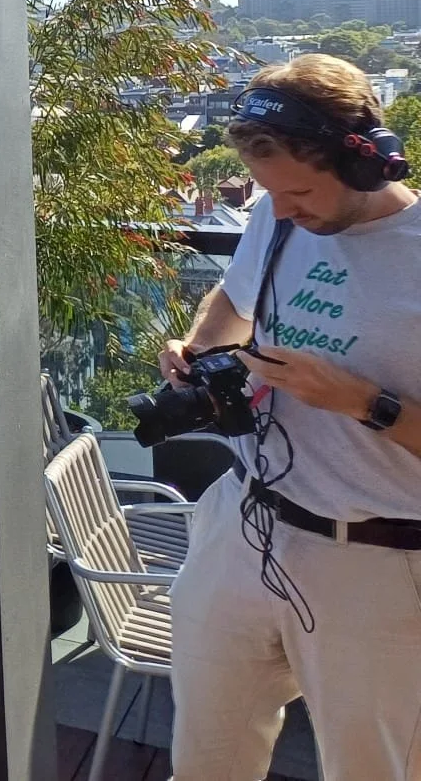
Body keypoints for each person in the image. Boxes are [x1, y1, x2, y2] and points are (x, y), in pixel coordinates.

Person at [157, 54, 419, 780]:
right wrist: (200, 350)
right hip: (242, 525)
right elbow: (234, 297)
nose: (281, 210)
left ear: (366, 162)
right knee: (204, 760)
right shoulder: (276, 219)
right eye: (271, 191)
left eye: (299, 191)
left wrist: (364, 403)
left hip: (376, 564)